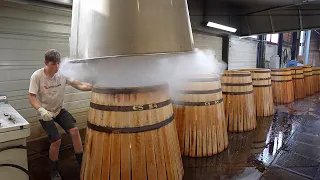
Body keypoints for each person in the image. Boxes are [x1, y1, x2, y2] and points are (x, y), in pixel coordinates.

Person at [28, 49, 92, 180]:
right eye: (53, 64)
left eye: (58, 63)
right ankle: (54, 170)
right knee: (56, 140)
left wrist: (96, 86)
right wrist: (41, 110)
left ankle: (82, 163)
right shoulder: (37, 76)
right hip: (45, 112)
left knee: (74, 130)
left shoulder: (62, 73)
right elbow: (32, 98)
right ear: (46, 63)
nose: (57, 67)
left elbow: (79, 85)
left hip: (59, 110)